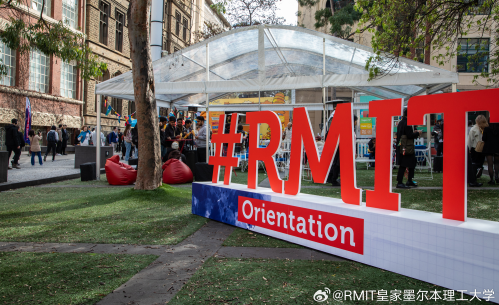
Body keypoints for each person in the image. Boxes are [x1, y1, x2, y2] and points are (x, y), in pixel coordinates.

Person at [396, 108, 422, 189]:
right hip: (407, 147)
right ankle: (400, 182)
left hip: (402, 146)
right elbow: (409, 135)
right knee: (404, 165)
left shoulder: (401, 122)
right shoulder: (407, 123)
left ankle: (409, 180)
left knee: (411, 163)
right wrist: (418, 133)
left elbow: (405, 134)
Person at [328, 115, 357, 187]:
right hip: (344, 150)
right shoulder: (349, 130)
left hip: (341, 149)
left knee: (337, 165)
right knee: (339, 165)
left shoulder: (346, 129)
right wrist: (354, 152)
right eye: (356, 121)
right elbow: (352, 143)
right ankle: (335, 180)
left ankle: (333, 179)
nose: (356, 123)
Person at [468, 115, 488, 187]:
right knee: (480, 162)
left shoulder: (474, 129)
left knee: (473, 163)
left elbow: (470, 140)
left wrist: (468, 148)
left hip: (475, 148)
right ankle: (480, 169)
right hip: (484, 148)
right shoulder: (487, 128)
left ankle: (473, 178)